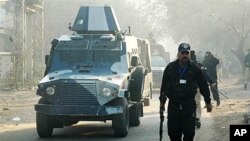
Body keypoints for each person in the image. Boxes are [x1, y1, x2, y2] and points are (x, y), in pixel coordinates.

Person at [159, 43, 213, 141]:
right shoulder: (170, 68)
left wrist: (208, 102)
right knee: (173, 134)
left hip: (188, 105)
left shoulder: (195, 69)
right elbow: (164, 87)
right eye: (182, 53)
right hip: (174, 106)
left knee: (189, 133)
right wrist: (162, 103)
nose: (184, 55)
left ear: (189, 54)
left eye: (186, 53)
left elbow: (203, 86)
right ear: (178, 54)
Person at [190, 50, 216, 129]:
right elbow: (205, 74)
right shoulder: (199, 65)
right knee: (197, 103)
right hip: (196, 87)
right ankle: (197, 118)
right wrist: (211, 82)